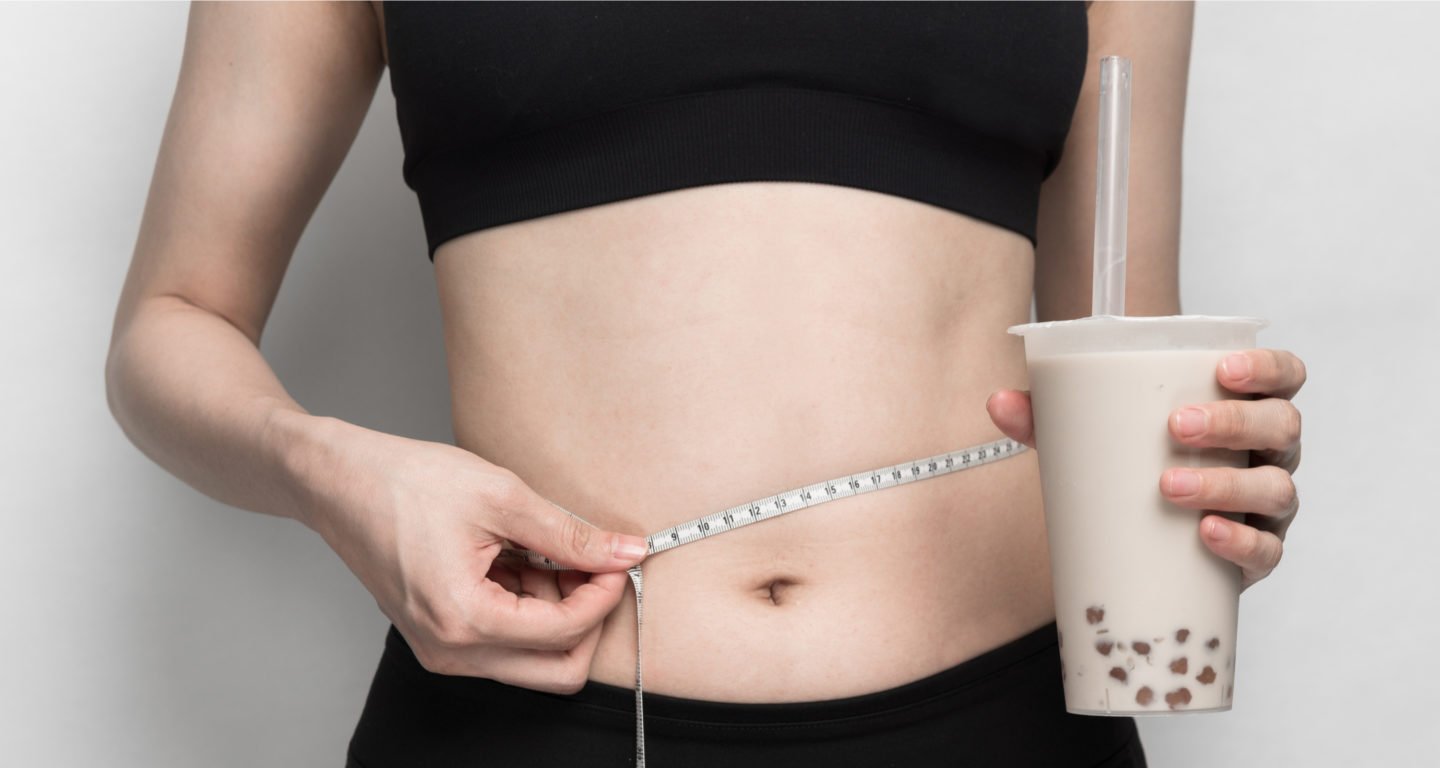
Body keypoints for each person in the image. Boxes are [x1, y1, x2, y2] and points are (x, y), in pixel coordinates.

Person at [105, 2, 1306, 766]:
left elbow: (1131, 334)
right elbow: (171, 324)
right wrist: (336, 475)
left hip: (1003, 725)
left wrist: (1210, 473)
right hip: (540, 723)